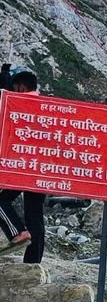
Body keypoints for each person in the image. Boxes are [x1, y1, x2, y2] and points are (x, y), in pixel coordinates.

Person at [0, 69, 46, 263]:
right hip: (43, 169)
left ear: (21, 86)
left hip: (22, 167)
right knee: (35, 215)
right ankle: (33, 263)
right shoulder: (47, 106)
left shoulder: (17, 104)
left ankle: (17, 231)